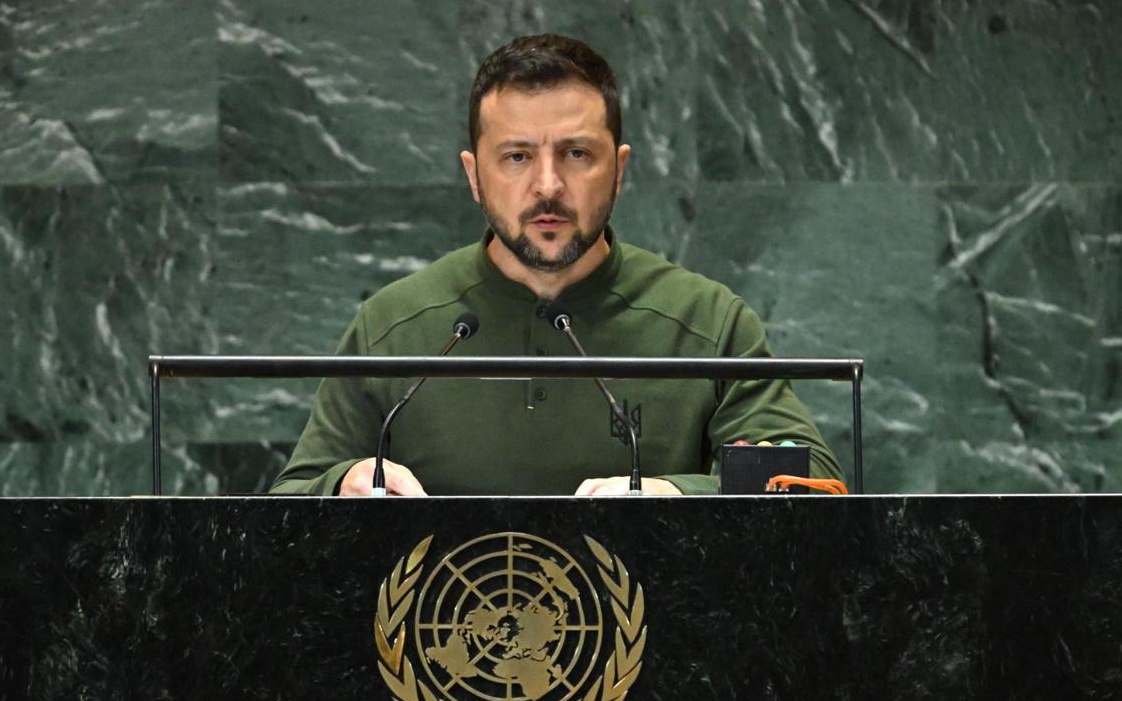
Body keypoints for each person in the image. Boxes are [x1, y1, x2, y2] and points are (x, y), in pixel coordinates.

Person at [271, 34, 843, 497]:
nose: (548, 186)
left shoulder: (708, 321)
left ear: (618, 170)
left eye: (576, 154)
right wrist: (340, 484)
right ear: (473, 175)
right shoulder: (393, 325)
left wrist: (676, 495)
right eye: (517, 157)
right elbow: (288, 505)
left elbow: (812, 485)